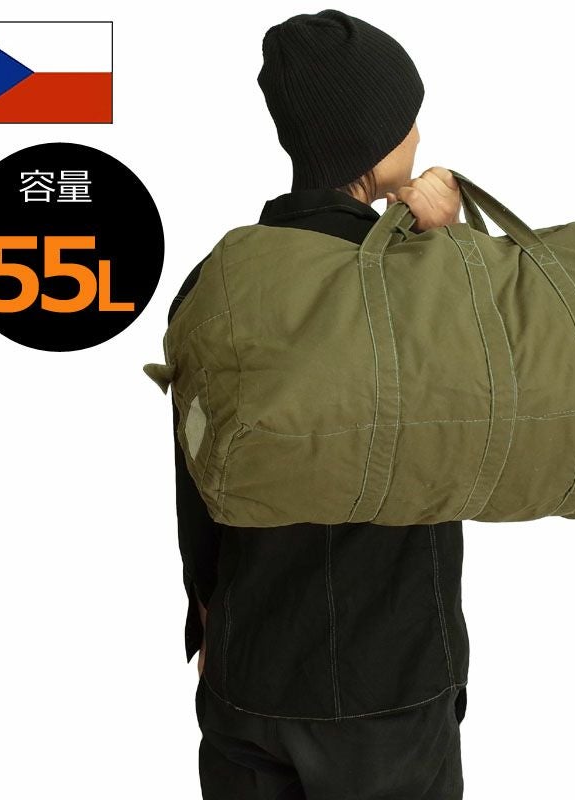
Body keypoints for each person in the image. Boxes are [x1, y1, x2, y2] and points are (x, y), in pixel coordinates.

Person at [168, 9, 469, 798]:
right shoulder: (415, 276)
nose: (418, 135)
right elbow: (488, 395)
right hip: (390, 684)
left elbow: (194, 464)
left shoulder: (219, 277)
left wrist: (206, 617)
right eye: (406, 120)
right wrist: (447, 243)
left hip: (248, 670)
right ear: (371, 142)